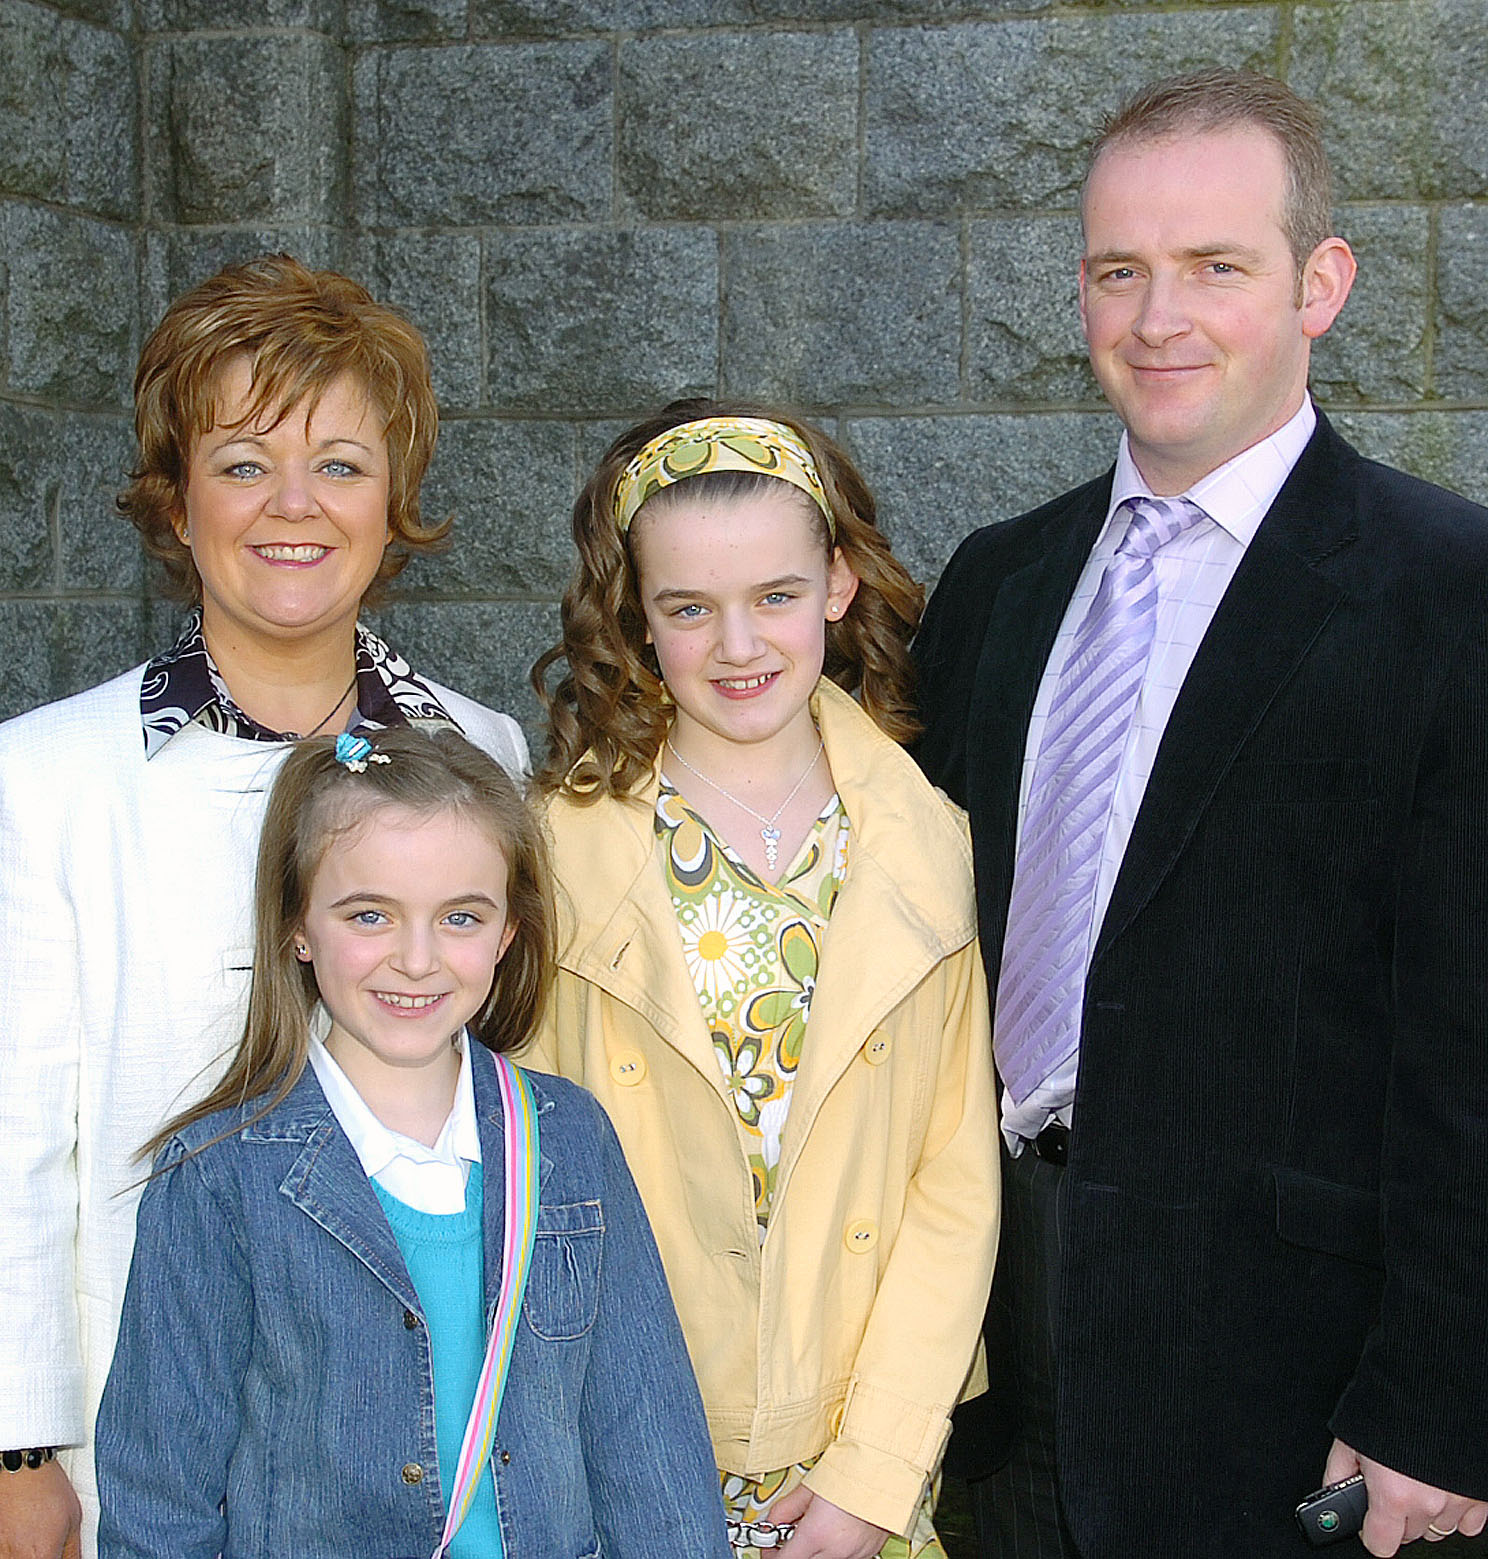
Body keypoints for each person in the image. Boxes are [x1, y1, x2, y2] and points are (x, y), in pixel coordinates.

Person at [913, 68, 1488, 1559]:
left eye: (1215, 266)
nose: (1158, 316)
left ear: (1320, 284)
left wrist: (1443, 1391)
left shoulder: (1452, 593)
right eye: (1120, 270)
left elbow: (1473, 1036)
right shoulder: (996, 583)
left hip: (1292, 1392)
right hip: (991, 1362)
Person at [0, 254, 527, 1558]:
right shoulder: (43, 779)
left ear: (393, 500)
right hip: (154, 1444)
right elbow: (11, 1146)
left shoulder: (488, 756)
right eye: (243, 462)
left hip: (437, 1433)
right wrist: (17, 1446)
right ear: (177, 499)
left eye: (340, 464)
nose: (295, 505)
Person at [530, 400, 1001, 1559]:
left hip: (852, 1459)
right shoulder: (554, 850)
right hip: (623, 1442)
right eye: (690, 607)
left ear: (838, 583)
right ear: (637, 618)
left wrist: (875, 1472)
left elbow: (952, 1183)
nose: (738, 644)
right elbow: (526, 1182)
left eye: (775, 596)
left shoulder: (926, 841)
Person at [94, 726, 730, 1558]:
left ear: (508, 932)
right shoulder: (218, 1175)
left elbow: (652, 1448)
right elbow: (160, 1501)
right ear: (297, 925)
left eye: (461, 916)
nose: (417, 959)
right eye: (370, 914)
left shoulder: (571, 1139)